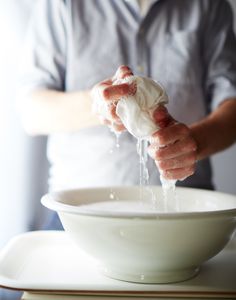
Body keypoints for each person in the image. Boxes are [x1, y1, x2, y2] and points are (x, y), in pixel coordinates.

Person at [19, 0, 236, 229]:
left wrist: (195, 142)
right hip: (79, 216)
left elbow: (232, 101)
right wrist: (96, 105)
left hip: (188, 212)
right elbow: (31, 112)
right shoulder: (62, 4)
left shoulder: (209, 5)